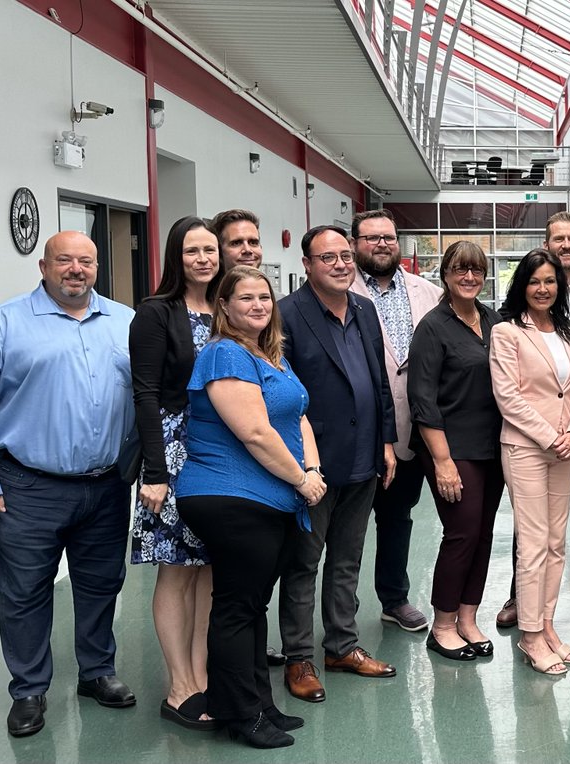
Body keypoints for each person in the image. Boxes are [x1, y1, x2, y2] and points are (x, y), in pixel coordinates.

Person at [0, 231, 138, 737]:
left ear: (97, 267)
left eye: (86, 261)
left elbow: (147, 397)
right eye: (64, 260)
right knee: (24, 591)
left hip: (106, 486)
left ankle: (97, 672)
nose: (75, 269)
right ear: (43, 266)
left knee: (102, 584)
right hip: (26, 485)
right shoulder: (4, 324)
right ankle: (29, 689)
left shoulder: (126, 322)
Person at [176, 266, 326, 749]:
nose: (259, 305)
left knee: (250, 605)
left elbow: (296, 415)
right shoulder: (224, 354)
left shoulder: (268, 355)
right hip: (229, 496)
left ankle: (259, 705)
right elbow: (256, 432)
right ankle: (240, 715)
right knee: (238, 608)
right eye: (246, 298)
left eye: (265, 297)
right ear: (224, 306)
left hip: (268, 496)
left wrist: (315, 471)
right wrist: (301, 478)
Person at [277, 225, 399, 700]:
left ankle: (342, 646)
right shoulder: (286, 315)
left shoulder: (365, 310)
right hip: (314, 465)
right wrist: (301, 464)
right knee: (304, 563)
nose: (342, 264)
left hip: (364, 459)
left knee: (348, 560)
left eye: (346, 256)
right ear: (306, 265)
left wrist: (386, 442)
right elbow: (283, 396)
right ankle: (299, 658)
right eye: (328, 258)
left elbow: (380, 383)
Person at [497, 211, 570, 628]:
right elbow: (510, 388)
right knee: (531, 526)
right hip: (534, 436)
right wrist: (551, 435)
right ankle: (519, 598)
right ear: (547, 244)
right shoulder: (512, 321)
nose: (567, 245)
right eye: (558, 238)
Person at [129, 216, 221, 730]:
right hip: (174, 450)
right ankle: (178, 685)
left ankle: (204, 677)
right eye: (192, 251)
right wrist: (156, 472)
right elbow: (144, 394)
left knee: (209, 568)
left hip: (222, 447)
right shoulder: (156, 313)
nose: (203, 258)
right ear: (175, 257)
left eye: (210, 249)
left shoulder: (229, 308)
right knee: (177, 567)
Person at [490, 249, 570, 675]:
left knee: (555, 541)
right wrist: (552, 436)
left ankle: (547, 624)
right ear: (522, 286)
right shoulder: (507, 332)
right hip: (527, 449)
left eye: (550, 281)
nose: (543, 288)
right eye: (535, 281)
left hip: (565, 450)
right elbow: (508, 397)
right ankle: (530, 636)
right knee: (532, 544)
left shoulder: (569, 332)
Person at [409, 241, 504, 662]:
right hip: (450, 447)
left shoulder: (492, 319)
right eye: (460, 270)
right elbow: (422, 398)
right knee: (462, 532)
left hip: (491, 446)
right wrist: (443, 462)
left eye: (477, 271)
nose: (469, 278)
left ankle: (468, 617)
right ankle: (443, 625)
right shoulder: (433, 327)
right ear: (445, 275)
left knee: (483, 534)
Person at [348, 208, 441, 633]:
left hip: (414, 427)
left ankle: (394, 598)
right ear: (355, 244)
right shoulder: (340, 290)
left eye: (388, 237)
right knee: (343, 527)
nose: (382, 244)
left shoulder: (428, 291)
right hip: (357, 429)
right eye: (371, 238)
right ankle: (340, 610)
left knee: (397, 515)